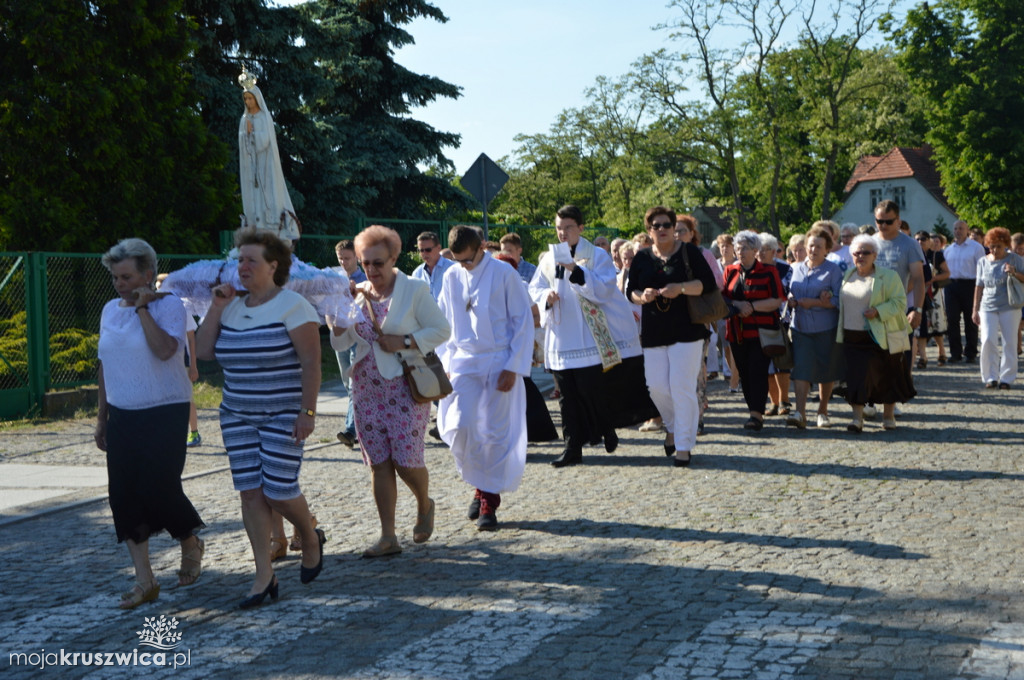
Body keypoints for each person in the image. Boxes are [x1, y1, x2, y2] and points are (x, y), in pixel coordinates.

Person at [195, 229, 325, 609]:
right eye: (239, 260)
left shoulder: (293, 306)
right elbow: (202, 352)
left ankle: (309, 534)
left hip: (283, 413)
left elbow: (311, 363)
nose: (243, 266)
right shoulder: (230, 305)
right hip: (236, 413)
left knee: (279, 489)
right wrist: (216, 307)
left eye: (251, 260)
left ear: (274, 266)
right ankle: (263, 573)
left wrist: (308, 411)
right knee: (250, 492)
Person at [96, 238, 205, 609]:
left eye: (126, 277)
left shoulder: (171, 306)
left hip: (165, 410)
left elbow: (164, 351)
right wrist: (102, 418)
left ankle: (189, 541)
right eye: (115, 278)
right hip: (122, 413)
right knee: (123, 496)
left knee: (159, 488)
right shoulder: (110, 310)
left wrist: (143, 310)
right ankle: (145, 580)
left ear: (147, 274)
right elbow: (105, 365)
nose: (120, 285)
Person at [331, 225, 451, 557]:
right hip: (366, 389)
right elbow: (341, 342)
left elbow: (442, 329)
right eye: (365, 262)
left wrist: (405, 341)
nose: (372, 270)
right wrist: (338, 317)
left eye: (378, 263)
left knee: (406, 460)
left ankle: (425, 503)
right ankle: (388, 536)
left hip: (404, 386)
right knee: (379, 463)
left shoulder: (413, 290)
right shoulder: (358, 293)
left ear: (394, 258)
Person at [529, 205, 656, 467]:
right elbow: (536, 286)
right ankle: (572, 448)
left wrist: (575, 270)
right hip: (562, 336)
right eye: (558, 228)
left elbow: (605, 289)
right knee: (566, 396)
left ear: (581, 228)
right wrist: (545, 297)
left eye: (568, 228)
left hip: (589, 336)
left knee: (590, 391)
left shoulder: (596, 255)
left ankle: (605, 428)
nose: (562, 233)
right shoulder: (548, 258)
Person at [436, 226, 534, 529]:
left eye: (467, 259)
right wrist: (445, 363)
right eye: (458, 260)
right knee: (461, 425)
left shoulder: (504, 273)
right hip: (464, 361)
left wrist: (513, 366)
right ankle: (478, 485)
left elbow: (522, 321)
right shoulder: (452, 275)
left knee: (492, 432)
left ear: (480, 247)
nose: (463, 266)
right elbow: (444, 322)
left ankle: (487, 501)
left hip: (498, 359)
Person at [627, 207, 717, 466]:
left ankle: (683, 446)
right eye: (657, 225)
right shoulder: (642, 257)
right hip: (654, 330)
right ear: (649, 230)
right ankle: (672, 426)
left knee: (682, 387)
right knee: (656, 386)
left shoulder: (689, 252)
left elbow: (707, 284)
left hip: (688, 329)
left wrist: (681, 288)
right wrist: (641, 296)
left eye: (667, 224)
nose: (663, 228)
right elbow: (630, 291)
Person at [837, 235, 915, 432]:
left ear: (875, 255)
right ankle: (857, 419)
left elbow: (899, 302)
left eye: (866, 252)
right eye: (857, 253)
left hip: (881, 334)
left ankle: (888, 416)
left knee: (887, 375)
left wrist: (878, 311)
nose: (861, 256)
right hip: (852, 335)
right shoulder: (847, 275)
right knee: (855, 378)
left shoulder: (888, 276)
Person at [722, 231, 785, 431]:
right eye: (737, 248)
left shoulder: (768, 271)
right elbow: (724, 298)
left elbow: (777, 300)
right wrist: (738, 305)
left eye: (745, 248)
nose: (740, 252)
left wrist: (752, 306)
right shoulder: (730, 270)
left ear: (755, 250)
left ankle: (756, 415)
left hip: (761, 333)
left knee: (757, 371)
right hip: (736, 332)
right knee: (745, 374)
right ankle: (753, 410)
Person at [785, 225, 844, 429]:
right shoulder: (796, 268)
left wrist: (818, 302)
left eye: (819, 246)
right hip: (800, 327)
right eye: (811, 246)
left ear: (826, 249)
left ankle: (822, 411)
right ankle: (800, 412)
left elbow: (839, 300)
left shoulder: (833, 270)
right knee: (800, 369)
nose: (813, 250)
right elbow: (791, 291)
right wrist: (792, 300)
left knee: (824, 370)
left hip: (825, 327)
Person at [237, 69, 300, 242]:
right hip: (251, 166)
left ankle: (271, 228)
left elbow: (264, 141)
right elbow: (243, 145)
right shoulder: (244, 119)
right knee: (254, 196)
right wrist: (246, 134)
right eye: (246, 99)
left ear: (256, 98)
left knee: (267, 195)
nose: (248, 102)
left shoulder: (264, 117)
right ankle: (254, 228)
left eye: (250, 98)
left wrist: (253, 134)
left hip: (265, 164)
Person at [972, 227, 1024, 389]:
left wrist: (1014, 273)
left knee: (1010, 341)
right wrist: (975, 309)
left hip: (1010, 305)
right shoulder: (982, 261)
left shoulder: (1015, 259)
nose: (994, 249)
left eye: (998, 246)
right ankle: (990, 377)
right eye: (992, 246)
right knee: (987, 340)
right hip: (987, 306)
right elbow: (979, 286)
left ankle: (1007, 378)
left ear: (1006, 245)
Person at [331, 239, 365, 448]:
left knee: (354, 385)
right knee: (347, 383)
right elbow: (328, 307)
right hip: (339, 336)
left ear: (357, 257)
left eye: (347, 258)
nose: (344, 262)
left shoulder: (365, 279)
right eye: (340, 258)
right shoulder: (334, 279)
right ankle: (362, 423)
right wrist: (329, 324)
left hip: (358, 337)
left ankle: (351, 430)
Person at [759, 233, 792, 416]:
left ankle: (785, 400)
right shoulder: (752, 269)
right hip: (759, 320)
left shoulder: (785, 268)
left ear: (774, 251)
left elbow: (788, 291)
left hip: (781, 320)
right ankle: (774, 402)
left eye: (765, 250)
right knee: (767, 365)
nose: (760, 254)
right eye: (758, 250)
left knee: (781, 362)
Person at [944, 220, 986, 362]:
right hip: (951, 286)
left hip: (970, 285)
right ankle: (955, 353)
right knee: (952, 320)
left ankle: (970, 352)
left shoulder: (976, 247)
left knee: (970, 320)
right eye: (955, 228)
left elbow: (982, 269)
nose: (958, 231)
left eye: (961, 228)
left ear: (967, 230)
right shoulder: (949, 249)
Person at [914, 231, 949, 368]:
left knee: (937, 323)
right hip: (918, 292)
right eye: (917, 239)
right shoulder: (913, 254)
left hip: (933, 293)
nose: (920, 241)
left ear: (929, 241)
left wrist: (932, 278)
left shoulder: (936, 255)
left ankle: (941, 351)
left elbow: (947, 273)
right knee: (922, 325)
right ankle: (923, 356)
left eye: (923, 239)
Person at [411, 231, 454, 300]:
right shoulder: (417, 273)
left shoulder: (452, 268)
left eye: (428, 250)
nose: (424, 253)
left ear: (439, 248)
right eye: (421, 250)